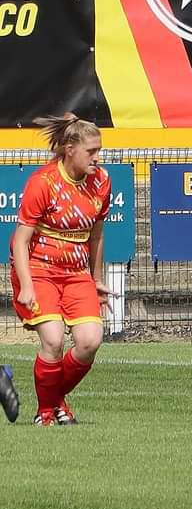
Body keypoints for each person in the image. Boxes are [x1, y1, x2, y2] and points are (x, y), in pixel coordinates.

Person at [9, 114, 113, 426]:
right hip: (39, 270)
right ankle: (46, 414)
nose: (97, 157)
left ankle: (53, 403)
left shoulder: (102, 181)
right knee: (53, 340)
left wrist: (96, 279)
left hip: (75, 274)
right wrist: (26, 286)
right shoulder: (44, 183)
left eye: (99, 150)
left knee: (89, 342)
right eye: (91, 151)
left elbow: (97, 234)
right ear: (69, 149)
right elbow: (20, 241)